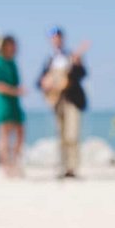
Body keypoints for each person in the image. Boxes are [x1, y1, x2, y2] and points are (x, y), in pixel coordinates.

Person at [37, 27, 89, 178]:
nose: (56, 40)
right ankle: (63, 167)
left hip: (72, 99)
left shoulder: (71, 56)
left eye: (58, 37)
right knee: (61, 135)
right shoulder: (50, 59)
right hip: (56, 101)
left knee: (72, 135)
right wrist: (45, 83)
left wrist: (77, 65)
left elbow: (82, 74)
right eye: (53, 38)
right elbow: (39, 81)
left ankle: (72, 168)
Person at [0, 35, 27, 177]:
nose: (13, 48)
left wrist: (17, 92)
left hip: (15, 102)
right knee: (4, 134)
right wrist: (15, 91)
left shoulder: (12, 63)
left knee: (20, 132)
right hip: (4, 101)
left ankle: (15, 162)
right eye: (11, 45)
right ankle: (6, 167)